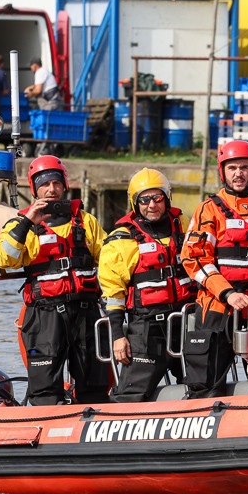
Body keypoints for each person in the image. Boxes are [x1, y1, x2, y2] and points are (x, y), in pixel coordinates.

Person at [0, 156, 110, 405]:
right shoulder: (19, 224)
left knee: (94, 384)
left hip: (86, 313)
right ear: (34, 189)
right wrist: (26, 224)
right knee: (45, 389)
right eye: (44, 184)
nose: (51, 189)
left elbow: (110, 259)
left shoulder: (86, 221)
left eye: (56, 183)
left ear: (64, 184)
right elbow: (5, 259)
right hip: (45, 315)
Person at [180, 140, 248, 398]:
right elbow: (194, 260)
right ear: (222, 171)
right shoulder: (209, 210)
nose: (238, 173)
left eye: (244, 168)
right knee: (206, 383)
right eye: (232, 168)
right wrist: (228, 294)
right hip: (218, 307)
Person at [98, 168, 194, 402]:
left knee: (201, 384)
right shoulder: (121, 240)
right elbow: (114, 294)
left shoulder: (183, 225)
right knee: (132, 394)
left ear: (167, 197)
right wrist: (118, 336)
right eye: (144, 199)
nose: (152, 205)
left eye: (157, 198)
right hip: (147, 327)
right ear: (135, 202)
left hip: (187, 322)